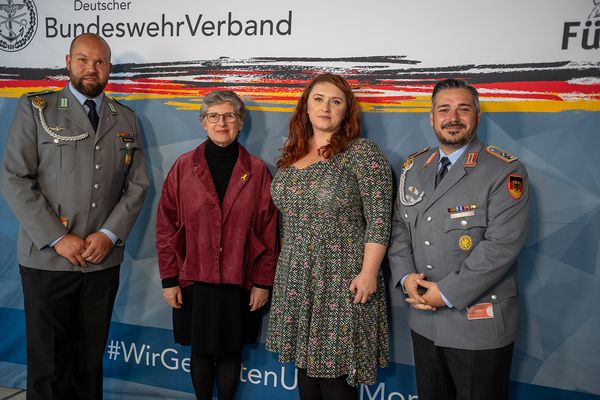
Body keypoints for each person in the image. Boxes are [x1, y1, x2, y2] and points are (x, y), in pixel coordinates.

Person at [1, 33, 149, 399]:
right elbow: (15, 178)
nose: (91, 68)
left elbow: (138, 186)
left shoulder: (126, 118)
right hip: (48, 260)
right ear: (68, 62)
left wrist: (108, 235)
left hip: (101, 261)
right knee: (48, 366)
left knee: (88, 363)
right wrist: (58, 237)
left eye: (100, 62)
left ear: (109, 68)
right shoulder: (36, 109)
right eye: (83, 59)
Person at [388, 78, 529, 400]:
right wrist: (407, 277)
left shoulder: (504, 170)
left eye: (463, 109)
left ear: (477, 116)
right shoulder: (414, 167)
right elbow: (398, 228)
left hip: (477, 325)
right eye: (444, 109)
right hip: (424, 320)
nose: (453, 118)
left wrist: (447, 293)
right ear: (432, 118)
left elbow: (502, 245)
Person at [266, 73, 392, 400]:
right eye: (319, 99)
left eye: (335, 101)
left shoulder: (361, 153)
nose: (326, 107)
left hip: (341, 280)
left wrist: (368, 273)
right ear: (305, 107)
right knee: (306, 378)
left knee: (334, 382)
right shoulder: (291, 156)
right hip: (296, 280)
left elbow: (379, 219)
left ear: (346, 111)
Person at [155, 90, 278, 400]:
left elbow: (269, 232)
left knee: (229, 352)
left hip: (240, 280)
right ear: (203, 123)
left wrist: (263, 283)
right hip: (193, 278)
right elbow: (166, 226)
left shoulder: (259, 171)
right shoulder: (183, 167)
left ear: (241, 122)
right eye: (214, 116)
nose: (221, 122)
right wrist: (170, 279)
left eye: (229, 116)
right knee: (199, 350)